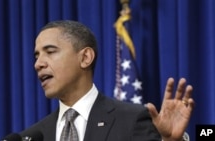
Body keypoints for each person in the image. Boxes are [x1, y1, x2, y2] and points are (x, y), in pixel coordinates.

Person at [18, 20, 194, 141]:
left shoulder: (132, 120)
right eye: (37, 55)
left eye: (50, 52)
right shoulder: (33, 135)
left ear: (85, 57)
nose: (38, 64)